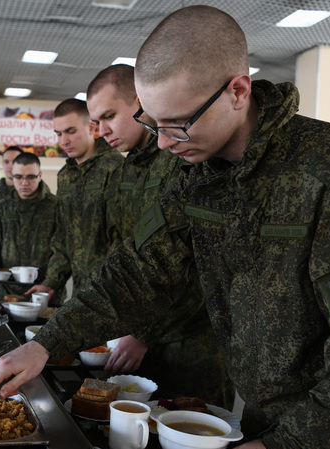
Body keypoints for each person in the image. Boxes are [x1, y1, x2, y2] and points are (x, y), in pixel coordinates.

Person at [0, 6, 330, 449]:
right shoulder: (198, 173)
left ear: (238, 91)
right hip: (264, 423)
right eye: (153, 122)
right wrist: (47, 341)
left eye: (179, 123)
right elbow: (139, 272)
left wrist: (288, 448)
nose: (166, 142)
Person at [86, 64, 232, 408]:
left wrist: (144, 334)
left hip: (190, 346)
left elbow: (200, 266)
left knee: (191, 438)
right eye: (96, 122)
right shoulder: (129, 169)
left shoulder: (184, 157)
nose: (102, 131)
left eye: (109, 116)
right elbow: (127, 255)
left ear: (140, 102)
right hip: (134, 344)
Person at [27, 98, 125, 300]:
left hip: (112, 290)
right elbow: (63, 235)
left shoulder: (116, 168)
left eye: (71, 131)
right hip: (80, 291)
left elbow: (122, 239)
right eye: (59, 134)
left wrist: (106, 287)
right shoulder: (66, 176)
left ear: (91, 127)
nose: (64, 141)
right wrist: (52, 281)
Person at [0, 152, 61, 301]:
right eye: (18, 177)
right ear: (11, 176)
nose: (24, 182)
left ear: (40, 176)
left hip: (44, 291)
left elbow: (62, 250)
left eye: (30, 177)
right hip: (7, 290)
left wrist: (52, 281)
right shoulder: (3, 207)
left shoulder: (55, 206)